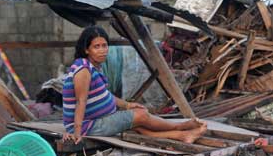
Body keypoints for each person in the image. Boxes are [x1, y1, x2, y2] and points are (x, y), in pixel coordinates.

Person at [62, 25, 207, 144]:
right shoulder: (84, 70)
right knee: (141, 116)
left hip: (99, 120)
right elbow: (81, 102)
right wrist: (77, 132)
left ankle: (181, 136)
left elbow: (104, 95)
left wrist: (127, 105)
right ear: (86, 50)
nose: (102, 50)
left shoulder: (93, 67)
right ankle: (181, 126)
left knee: (138, 126)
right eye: (96, 47)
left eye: (104, 45)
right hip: (89, 126)